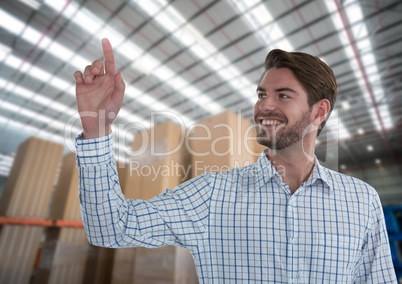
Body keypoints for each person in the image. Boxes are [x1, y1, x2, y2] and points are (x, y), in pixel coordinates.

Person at [73, 38, 397, 283]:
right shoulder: (213, 195)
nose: (264, 106)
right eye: (261, 95)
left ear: (319, 111)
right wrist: (97, 129)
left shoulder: (360, 201)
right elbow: (111, 228)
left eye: (282, 95)